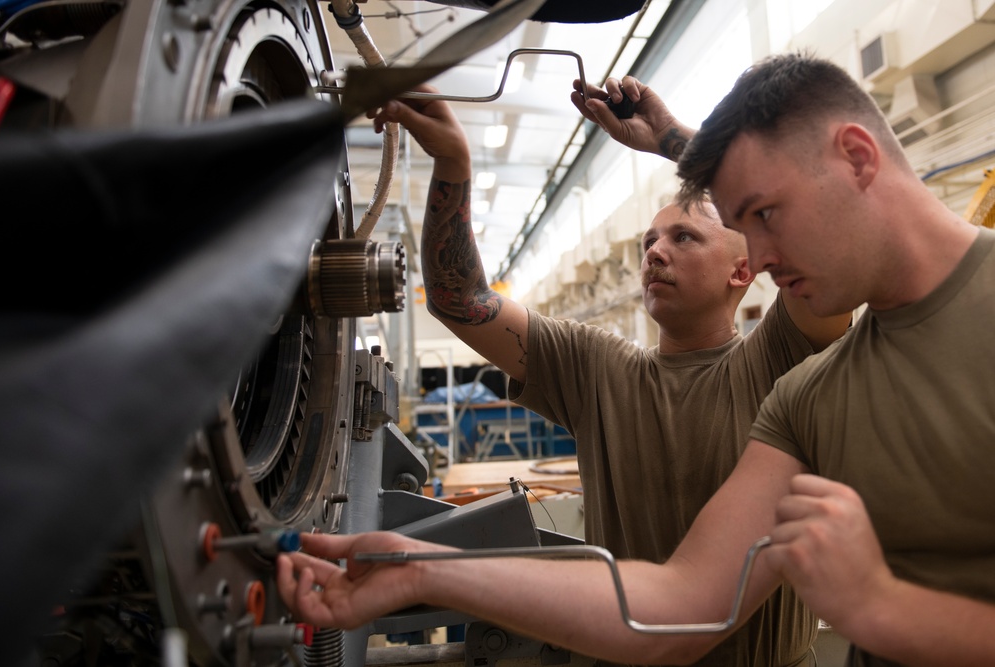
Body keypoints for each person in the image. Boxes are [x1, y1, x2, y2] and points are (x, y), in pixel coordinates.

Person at [277, 51, 995, 666]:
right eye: (651, 240)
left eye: (756, 220)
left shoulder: (781, 362)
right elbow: (676, 604)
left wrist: (883, 608)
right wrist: (419, 571)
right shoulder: (803, 397)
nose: (765, 256)